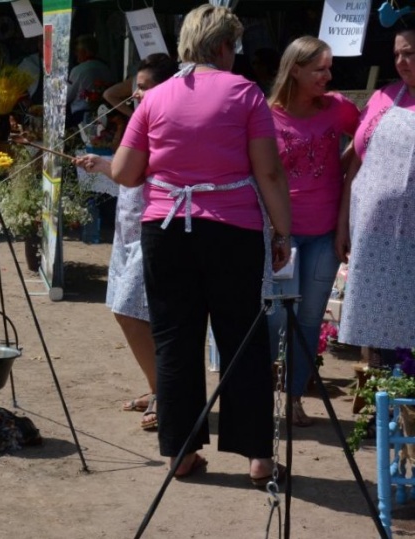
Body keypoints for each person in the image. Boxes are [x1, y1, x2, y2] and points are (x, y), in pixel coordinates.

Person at [111, 5, 291, 483]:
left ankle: (181, 453)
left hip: (166, 231)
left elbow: (123, 172)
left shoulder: (154, 98)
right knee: (241, 339)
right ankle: (258, 457)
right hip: (232, 231)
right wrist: (282, 231)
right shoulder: (246, 93)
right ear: (223, 46)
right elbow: (268, 171)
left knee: (175, 342)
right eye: (235, 46)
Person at [74, 53, 179, 431]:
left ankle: (165, 394)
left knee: (130, 310)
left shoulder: (169, 123)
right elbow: (126, 173)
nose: (134, 94)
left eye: (145, 88)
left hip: (154, 226)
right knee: (133, 311)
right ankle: (158, 388)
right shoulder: (140, 117)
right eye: (136, 87)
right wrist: (101, 165)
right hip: (129, 226)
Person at [263, 36, 359, 427]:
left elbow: (368, 138)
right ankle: (270, 397)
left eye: (329, 67)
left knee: (309, 320)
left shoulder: (338, 109)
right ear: (295, 70)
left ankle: (295, 397)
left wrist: (342, 163)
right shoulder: (267, 115)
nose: (328, 75)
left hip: (323, 235)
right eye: (319, 68)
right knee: (275, 320)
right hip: (280, 235)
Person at [336, 20, 415, 356]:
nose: (401, 62)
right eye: (397, 54)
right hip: (374, 233)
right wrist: (343, 225)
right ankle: (377, 397)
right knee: (374, 317)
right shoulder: (383, 97)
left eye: (409, 53)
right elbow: (354, 160)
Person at [65, 34, 115, 130]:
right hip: (104, 114)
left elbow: (67, 96)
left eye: (78, 51)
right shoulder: (106, 68)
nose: (76, 55)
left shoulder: (78, 70)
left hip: (80, 116)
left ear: (85, 52)